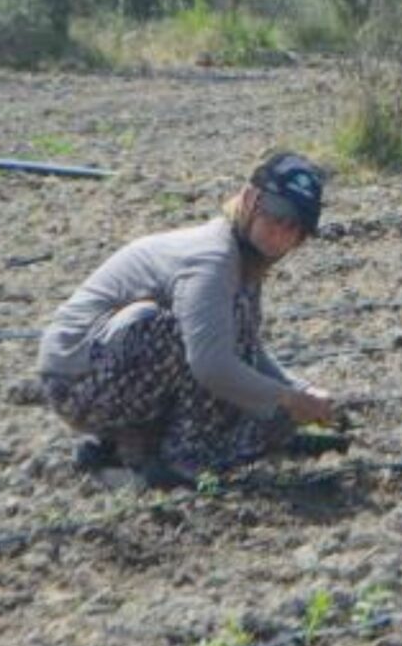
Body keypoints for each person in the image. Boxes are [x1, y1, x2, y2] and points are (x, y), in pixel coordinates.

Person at [38, 151, 339, 488]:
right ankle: (181, 460)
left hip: (108, 372)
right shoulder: (213, 259)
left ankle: (126, 451)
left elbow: (249, 349)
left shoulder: (244, 263)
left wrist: (301, 391)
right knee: (191, 344)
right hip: (75, 381)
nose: (281, 232)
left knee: (242, 374)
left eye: (295, 227)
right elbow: (211, 365)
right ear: (251, 200)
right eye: (276, 215)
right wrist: (285, 399)